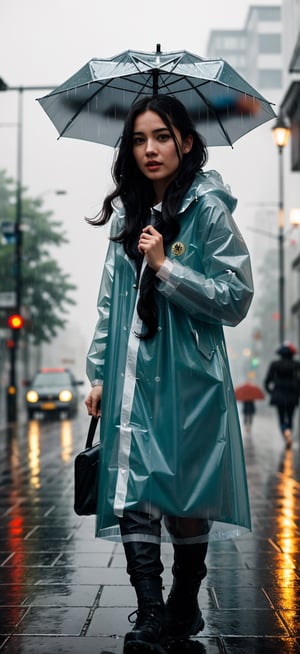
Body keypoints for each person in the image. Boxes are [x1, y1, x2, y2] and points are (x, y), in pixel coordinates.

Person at [85, 94, 254, 654]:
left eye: (161, 136)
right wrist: (99, 374)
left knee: (186, 497)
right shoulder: (130, 215)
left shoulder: (208, 208)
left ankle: (183, 606)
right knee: (135, 491)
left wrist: (166, 267)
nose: (150, 149)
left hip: (190, 378)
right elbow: (112, 302)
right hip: (132, 377)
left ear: (184, 140)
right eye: (138, 139)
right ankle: (151, 614)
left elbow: (234, 298)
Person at [264, 343, 300, 448]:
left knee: (281, 416)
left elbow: (267, 381)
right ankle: (289, 431)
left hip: (278, 394)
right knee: (290, 416)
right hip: (292, 394)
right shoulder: (296, 364)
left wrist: (271, 392)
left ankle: (285, 432)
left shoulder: (274, 364)